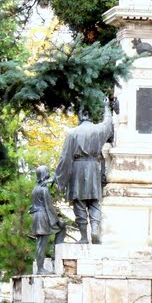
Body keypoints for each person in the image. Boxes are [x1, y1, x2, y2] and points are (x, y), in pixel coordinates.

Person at [54, 100, 113, 244]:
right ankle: (94, 229)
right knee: (94, 202)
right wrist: (106, 107)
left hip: (78, 169)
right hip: (93, 168)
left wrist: (59, 179)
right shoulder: (98, 130)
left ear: (80, 116)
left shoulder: (73, 134)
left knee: (79, 203)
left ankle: (84, 237)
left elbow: (65, 158)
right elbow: (108, 122)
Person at [29, 165, 66, 274]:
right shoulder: (44, 190)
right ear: (45, 174)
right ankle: (42, 267)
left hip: (37, 216)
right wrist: (57, 221)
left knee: (40, 242)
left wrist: (50, 180)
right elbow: (49, 207)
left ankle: (52, 258)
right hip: (43, 217)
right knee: (45, 241)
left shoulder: (36, 188)